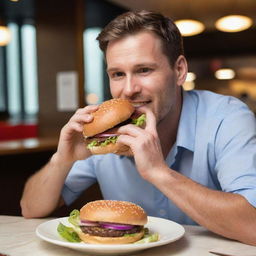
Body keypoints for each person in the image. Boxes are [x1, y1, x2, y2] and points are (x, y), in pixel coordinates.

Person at [20, 10, 256, 245]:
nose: (129, 89)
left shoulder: (227, 118)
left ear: (179, 70)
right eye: (118, 74)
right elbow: (30, 209)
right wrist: (62, 159)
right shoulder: (103, 130)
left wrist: (158, 172)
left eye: (144, 70)